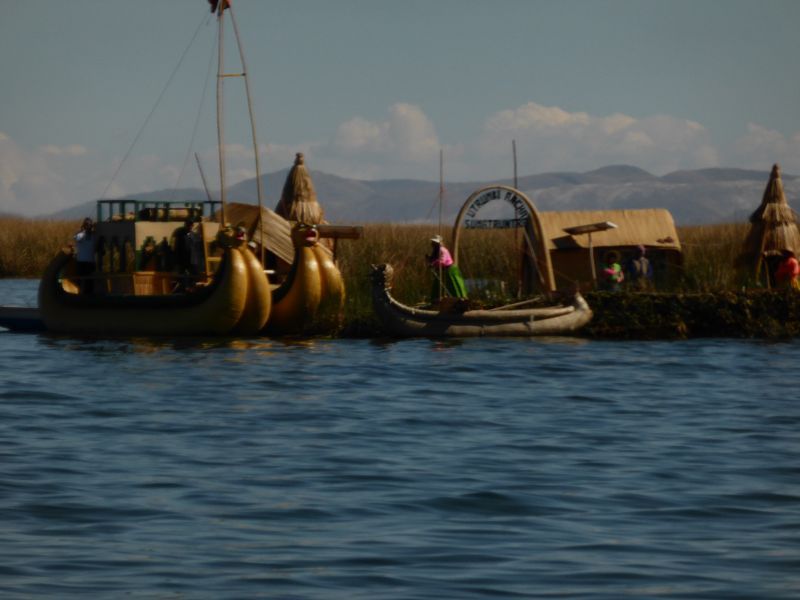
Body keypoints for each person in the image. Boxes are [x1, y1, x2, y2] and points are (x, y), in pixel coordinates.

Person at [427, 235, 468, 304]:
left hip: (450, 271)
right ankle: (436, 302)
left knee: (453, 287)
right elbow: (435, 259)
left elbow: (442, 261)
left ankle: (459, 301)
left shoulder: (442, 250)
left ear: (438, 243)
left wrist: (433, 264)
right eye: (432, 242)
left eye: (434, 242)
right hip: (442, 271)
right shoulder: (435, 250)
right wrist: (429, 259)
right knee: (438, 287)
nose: (432, 243)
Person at [74, 217, 96, 294]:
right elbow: (77, 238)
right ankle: (80, 294)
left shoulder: (94, 236)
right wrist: (84, 231)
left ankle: (89, 294)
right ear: (84, 225)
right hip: (81, 262)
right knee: (80, 280)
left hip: (90, 262)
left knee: (90, 281)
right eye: (87, 225)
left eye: (90, 225)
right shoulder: (80, 235)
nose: (89, 227)